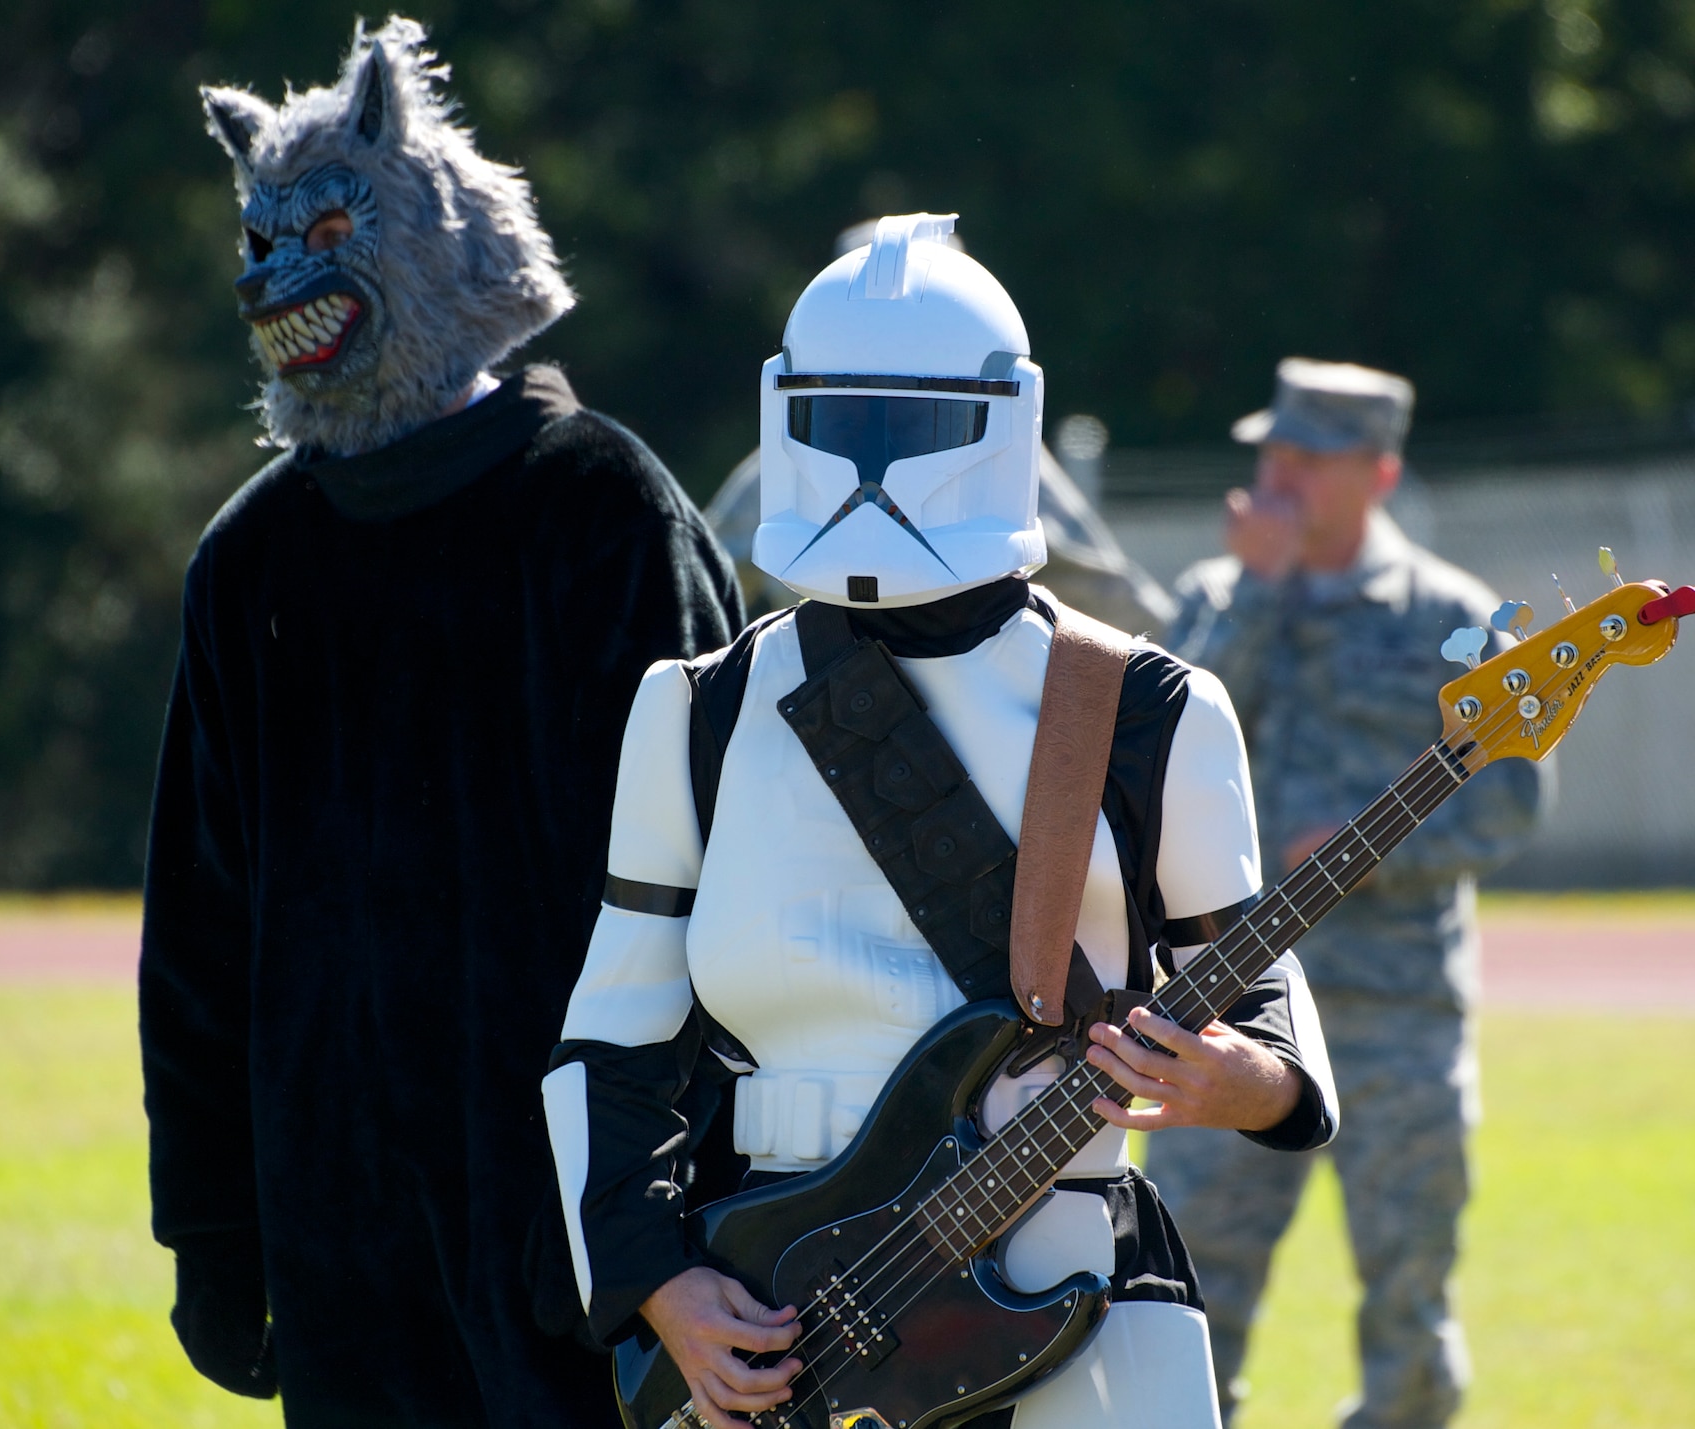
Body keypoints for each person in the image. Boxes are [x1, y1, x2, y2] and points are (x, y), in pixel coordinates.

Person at [544, 215, 1339, 1429]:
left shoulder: (1149, 709)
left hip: (1072, 1279)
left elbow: (1260, 999)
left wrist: (1247, 1082)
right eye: (839, 422)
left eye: (909, 427)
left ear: (999, 423)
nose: (869, 464)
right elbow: (612, 1042)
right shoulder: (695, 709)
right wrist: (659, 1281)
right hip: (780, 1307)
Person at [138, 19, 739, 1427]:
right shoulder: (251, 560)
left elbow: (723, 887)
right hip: (337, 1230)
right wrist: (212, 1227)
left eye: (323, 232)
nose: (274, 275)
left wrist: (682, 1216)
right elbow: (201, 932)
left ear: (417, 230)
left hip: (588, 1223)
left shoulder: (601, 508)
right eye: (260, 238)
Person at [1146, 359, 1548, 1429]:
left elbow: (1509, 805)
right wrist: (1256, 592)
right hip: (1228, 1012)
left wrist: (1374, 853)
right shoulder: (1213, 597)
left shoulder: (1451, 619)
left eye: (1309, 459)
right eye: (1271, 453)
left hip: (1393, 1014)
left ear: (1378, 473)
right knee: (1183, 1287)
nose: (1278, 478)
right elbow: (1147, 757)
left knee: (1409, 1292)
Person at [702, 224, 1176, 633]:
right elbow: (706, 575)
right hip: (818, 668)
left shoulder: (1001, 448)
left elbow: (1105, 588)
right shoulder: (791, 448)